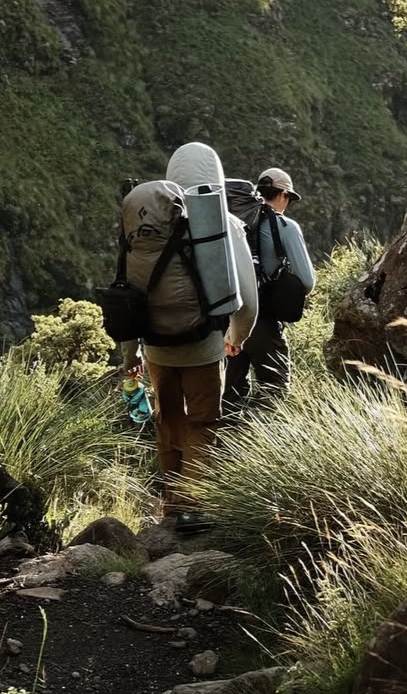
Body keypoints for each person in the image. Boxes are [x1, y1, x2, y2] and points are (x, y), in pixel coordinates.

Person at [124, 142, 257, 530]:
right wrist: (238, 337)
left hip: (156, 350)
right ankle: (193, 508)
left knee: (168, 421)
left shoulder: (145, 223)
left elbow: (129, 291)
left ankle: (169, 505)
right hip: (203, 347)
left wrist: (129, 353)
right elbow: (248, 301)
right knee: (202, 422)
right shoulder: (224, 225)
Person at [224, 166, 316, 410]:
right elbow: (307, 281)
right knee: (275, 387)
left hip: (224, 318)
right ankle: (257, 439)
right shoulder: (284, 226)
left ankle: (223, 442)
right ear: (283, 195)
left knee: (229, 391)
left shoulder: (231, 222)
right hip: (261, 319)